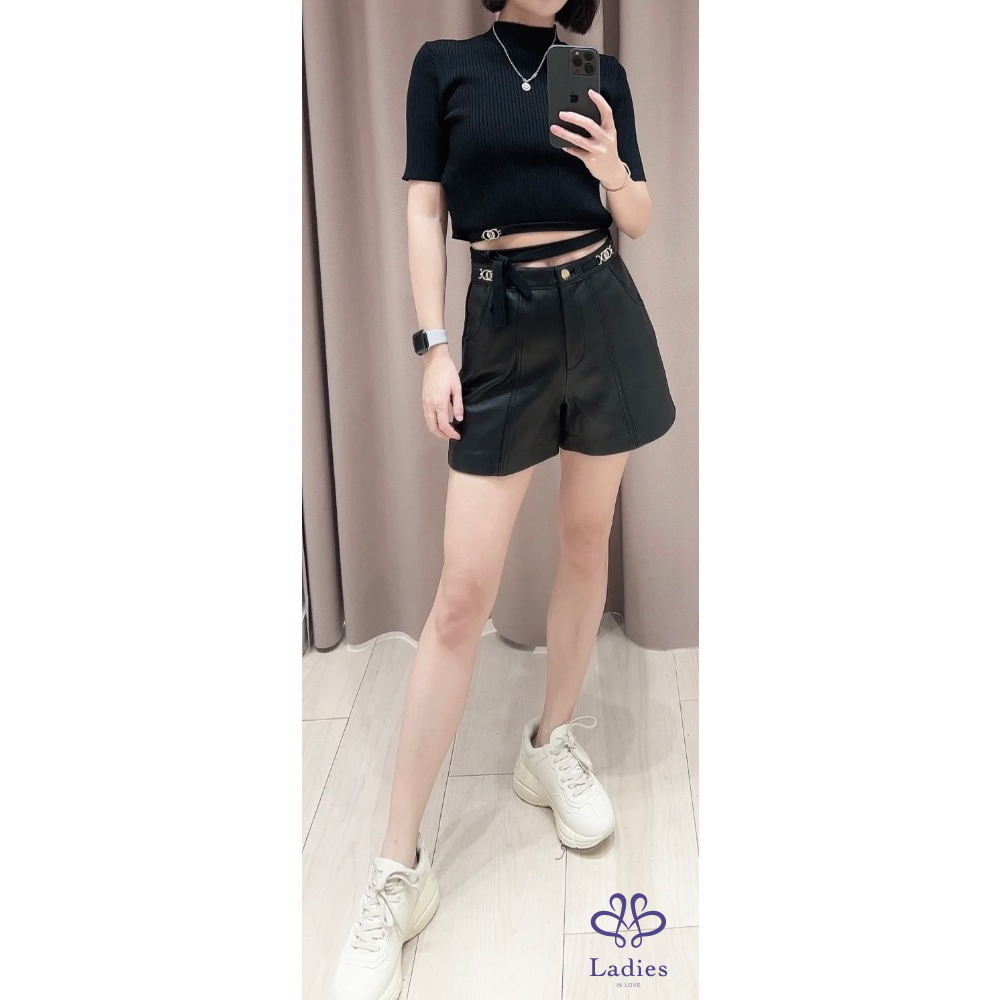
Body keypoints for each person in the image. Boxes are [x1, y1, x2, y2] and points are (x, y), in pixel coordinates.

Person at [331, 2, 676, 997]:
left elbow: (639, 216)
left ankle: (548, 743)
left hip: (603, 312)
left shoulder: (600, 76)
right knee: (460, 598)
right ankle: (398, 868)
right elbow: (423, 212)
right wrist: (432, 345)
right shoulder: (442, 66)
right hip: (501, 321)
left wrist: (612, 171)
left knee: (585, 539)